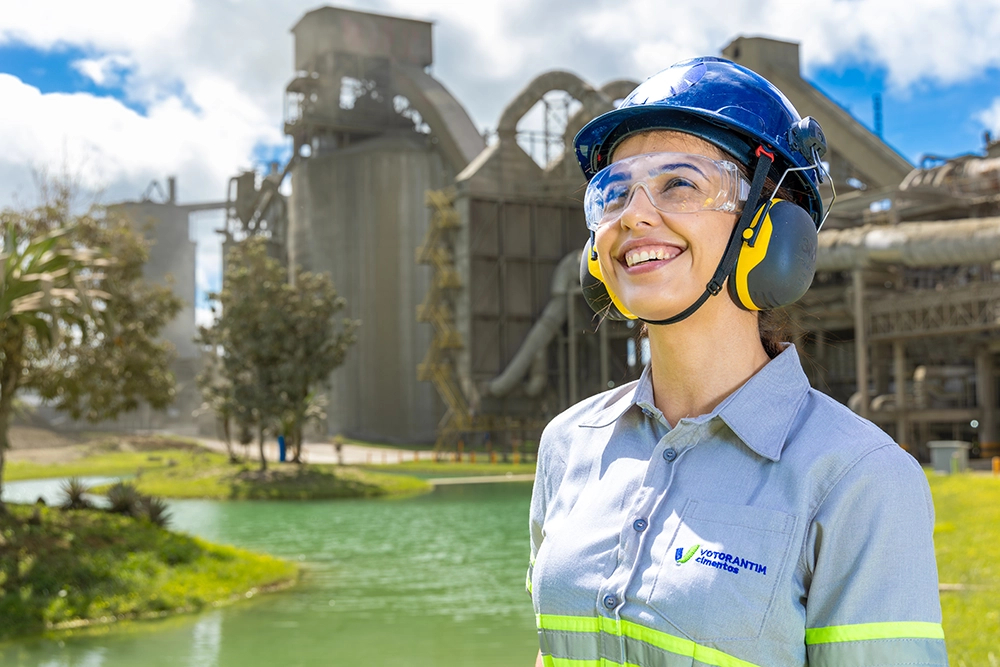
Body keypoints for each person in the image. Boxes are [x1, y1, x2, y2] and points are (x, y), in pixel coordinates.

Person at [527, 57, 946, 667]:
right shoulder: (567, 446)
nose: (633, 215)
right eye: (614, 192)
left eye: (680, 183)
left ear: (769, 230)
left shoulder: (858, 479)